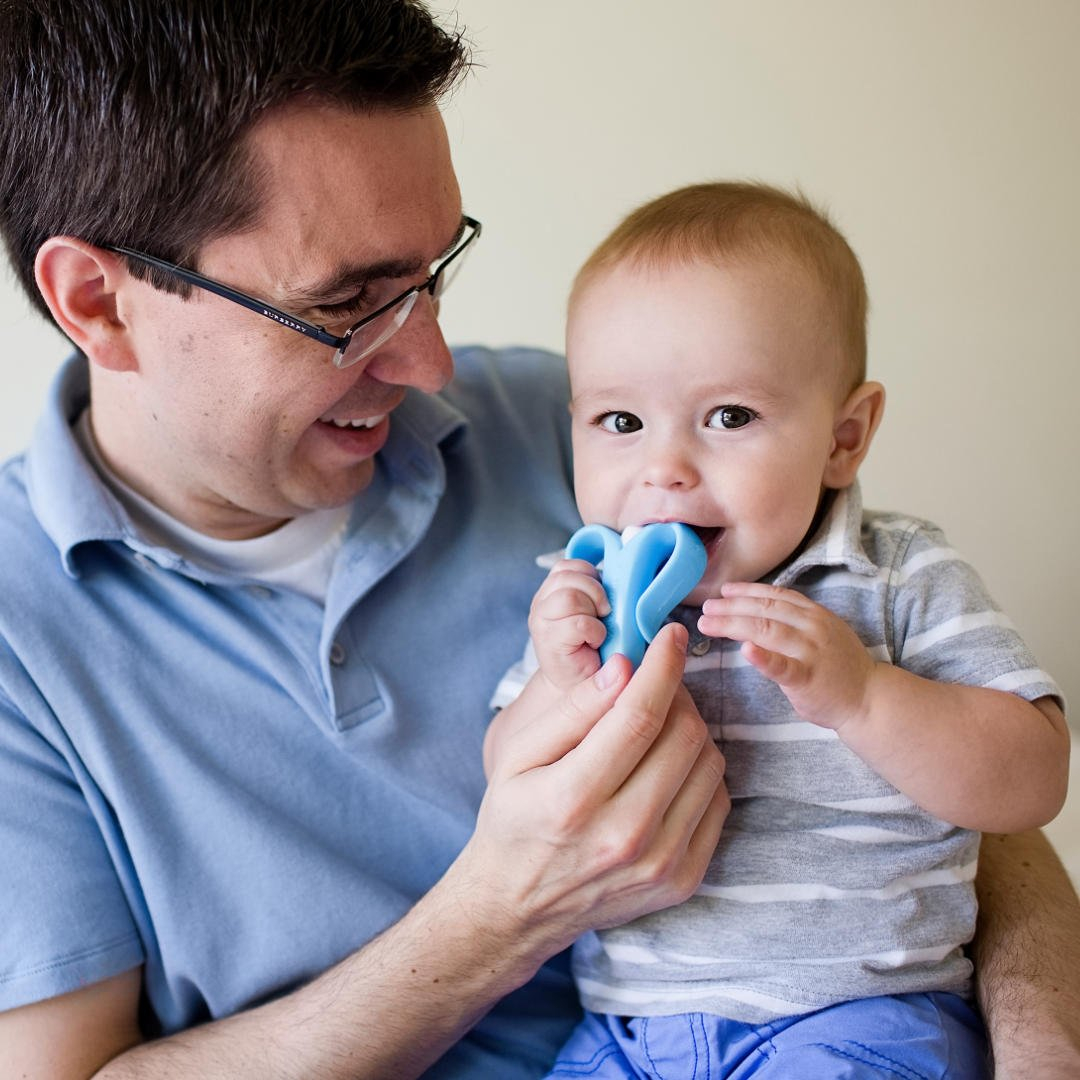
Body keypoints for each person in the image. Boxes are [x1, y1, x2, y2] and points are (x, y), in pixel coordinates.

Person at [0, 3, 1074, 1078]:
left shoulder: (607, 436)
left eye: (434, 273)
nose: (430, 361)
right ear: (97, 300)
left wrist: (1040, 1037)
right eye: (348, 304)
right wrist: (504, 910)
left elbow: (934, 756)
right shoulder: (17, 633)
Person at [487, 181, 1071, 1077]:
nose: (665, 469)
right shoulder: (584, 597)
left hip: (854, 1017)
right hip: (628, 1034)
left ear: (844, 436)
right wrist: (562, 689)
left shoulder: (894, 577)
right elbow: (507, 784)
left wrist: (868, 695)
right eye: (620, 421)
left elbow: (1032, 778)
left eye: (730, 417)